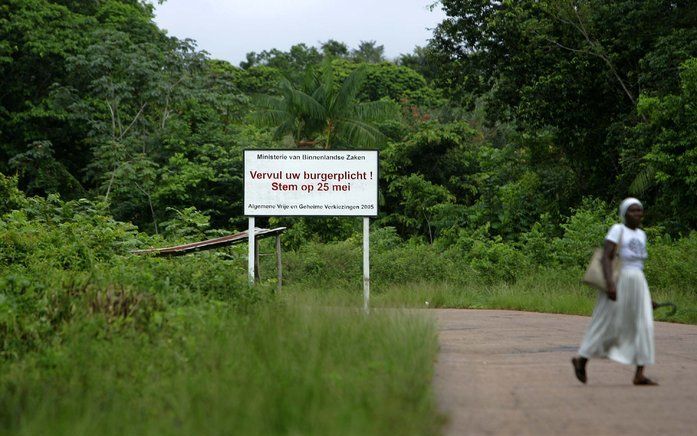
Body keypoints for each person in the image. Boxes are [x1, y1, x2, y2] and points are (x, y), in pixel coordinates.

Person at [572, 198, 657, 385]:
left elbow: (639, 266)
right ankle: (582, 359)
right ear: (624, 214)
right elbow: (607, 258)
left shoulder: (642, 235)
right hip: (619, 280)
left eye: (640, 210)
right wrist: (610, 284)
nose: (637, 214)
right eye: (633, 211)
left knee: (644, 324)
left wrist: (646, 297)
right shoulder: (618, 230)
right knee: (607, 322)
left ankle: (639, 373)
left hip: (638, 281)